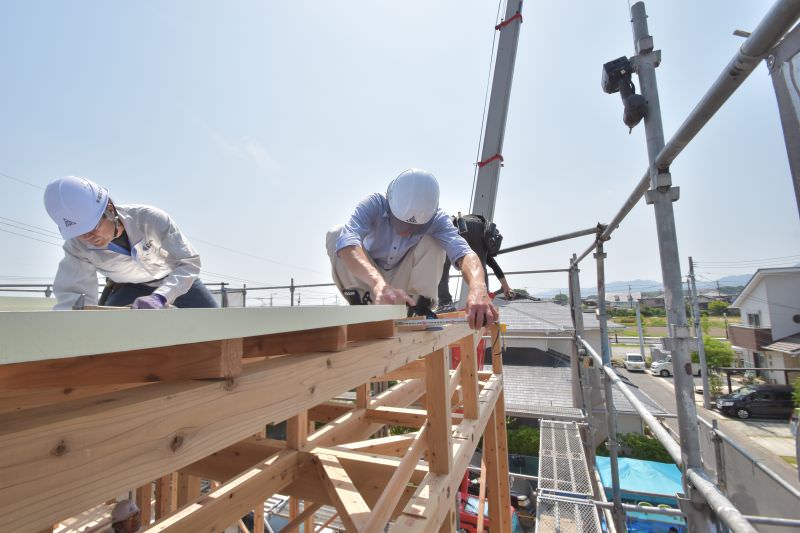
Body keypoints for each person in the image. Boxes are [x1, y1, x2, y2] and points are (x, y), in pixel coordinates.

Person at [326, 168, 496, 329]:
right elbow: (348, 244)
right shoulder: (374, 204)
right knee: (338, 234)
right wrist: (378, 283)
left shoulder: (437, 220)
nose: (407, 232)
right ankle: (360, 304)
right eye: (401, 223)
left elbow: (465, 254)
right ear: (390, 205)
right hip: (368, 280)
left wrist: (478, 288)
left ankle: (418, 307)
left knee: (434, 240)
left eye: (416, 227)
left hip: (404, 288)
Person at [44, 176, 219, 310]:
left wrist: (160, 297)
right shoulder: (76, 246)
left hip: (178, 282)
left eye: (93, 227)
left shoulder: (150, 219)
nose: (88, 237)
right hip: (128, 289)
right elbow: (75, 295)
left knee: (215, 325)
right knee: (111, 335)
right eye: (81, 233)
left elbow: (189, 263)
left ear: (110, 209)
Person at [437, 213, 513, 312]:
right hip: (479, 229)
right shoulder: (485, 245)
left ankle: (445, 303)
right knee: (481, 267)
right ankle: (482, 303)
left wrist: (506, 287)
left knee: (443, 265)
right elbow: (494, 265)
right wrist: (506, 287)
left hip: (460, 225)